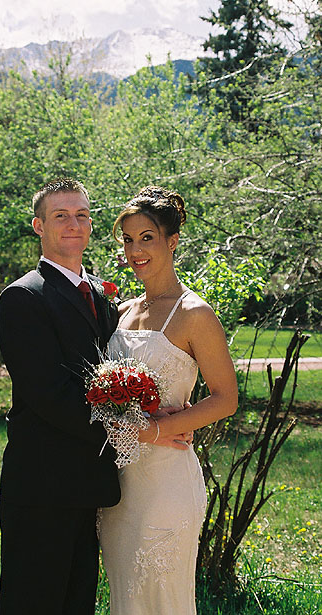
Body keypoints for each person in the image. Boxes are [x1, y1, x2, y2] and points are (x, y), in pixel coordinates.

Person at [98, 185, 238, 615]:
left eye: (147, 238)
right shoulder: (121, 312)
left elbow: (226, 399)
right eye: (128, 239)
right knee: (126, 599)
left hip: (166, 483)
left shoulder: (195, 314)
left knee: (162, 598)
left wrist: (157, 429)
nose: (135, 250)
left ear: (172, 241)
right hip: (117, 486)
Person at [0, 178, 122, 615]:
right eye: (61, 216)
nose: (74, 224)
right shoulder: (23, 296)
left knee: (77, 603)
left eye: (82, 215)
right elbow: (48, 393)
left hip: (90, 484)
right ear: (39, 226)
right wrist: (132, 431)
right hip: (42, 486)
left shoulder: (103, 294)